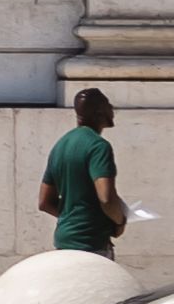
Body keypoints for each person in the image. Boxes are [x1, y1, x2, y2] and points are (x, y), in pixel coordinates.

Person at [41, 84, 129, 255]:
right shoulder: (98, 146)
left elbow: (44, 202)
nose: (112, 108)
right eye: (107, 104)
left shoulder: (60, 145)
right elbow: (106, 198)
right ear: (99, 112)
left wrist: (71, 218)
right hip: (92, 243)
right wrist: (119, 222)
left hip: (64, 241)